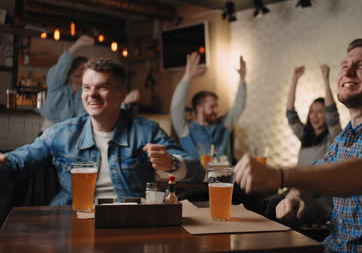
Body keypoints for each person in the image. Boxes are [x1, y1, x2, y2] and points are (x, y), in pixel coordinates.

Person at [234, 39, 362, 252]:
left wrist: (280, 175)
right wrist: (296, 195)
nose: (348, 73)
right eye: (345, 66)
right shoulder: (342, 140)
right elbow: (314, 173)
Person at [0, 58, 201, 205]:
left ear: (121, 95)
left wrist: (172, 163)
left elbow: (196, 171)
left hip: (130, 221)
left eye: (102, 87)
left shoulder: (146, 131)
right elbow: (16, 163)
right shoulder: (61, 133)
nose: (92, 95)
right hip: (71, 219)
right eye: (86, 88)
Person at [271, 63, 342, 225]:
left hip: (322, 197)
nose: (315, 116)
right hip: (297, 191)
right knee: (267, 205)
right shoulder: (305, 135)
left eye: (320, 111)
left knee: (292, 215)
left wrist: (326, 80)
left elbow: (332, 115)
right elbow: (290, 113)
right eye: (312, 111)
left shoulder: (334, 137)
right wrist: (294, 79)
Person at [39, 35, 140, 131]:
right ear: (68, 70)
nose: (78, 71)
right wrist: (78, 44)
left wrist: (126, 101)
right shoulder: (56, 85)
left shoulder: (88, 95)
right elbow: (60, 67)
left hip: (71, 139)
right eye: (75, 67)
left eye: (82, 69)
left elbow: (104, 111)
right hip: (48, 133)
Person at [170, 52, 247, 167]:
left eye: (216, 106)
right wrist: (187, 76)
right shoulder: (185, 129)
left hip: (224, 179)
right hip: (197, 182)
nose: (216, 110)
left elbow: (239, 106)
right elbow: (176, 108)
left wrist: (242, 79)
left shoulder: (223, 126)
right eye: (212, 107)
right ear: (199, 108)